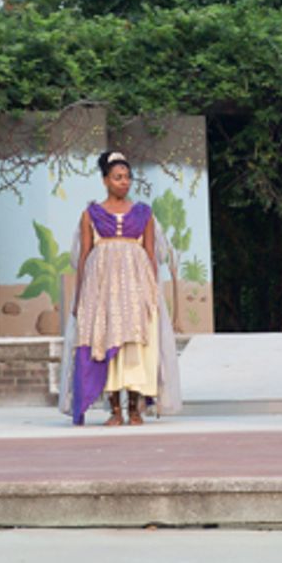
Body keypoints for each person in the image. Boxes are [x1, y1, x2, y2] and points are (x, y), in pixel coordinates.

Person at [64, 150, 181, 426]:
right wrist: (80, 294)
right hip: (101, 289)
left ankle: (135, 408)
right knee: (104, 344)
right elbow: (84, 255)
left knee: (136, 345)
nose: (124, 182)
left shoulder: (143, 214)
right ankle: (115, 410)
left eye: (127, 177)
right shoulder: (91, 214)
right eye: (117, 177)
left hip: (135, 287)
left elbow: (150, 254)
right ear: (105, 180)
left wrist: (153, 292)